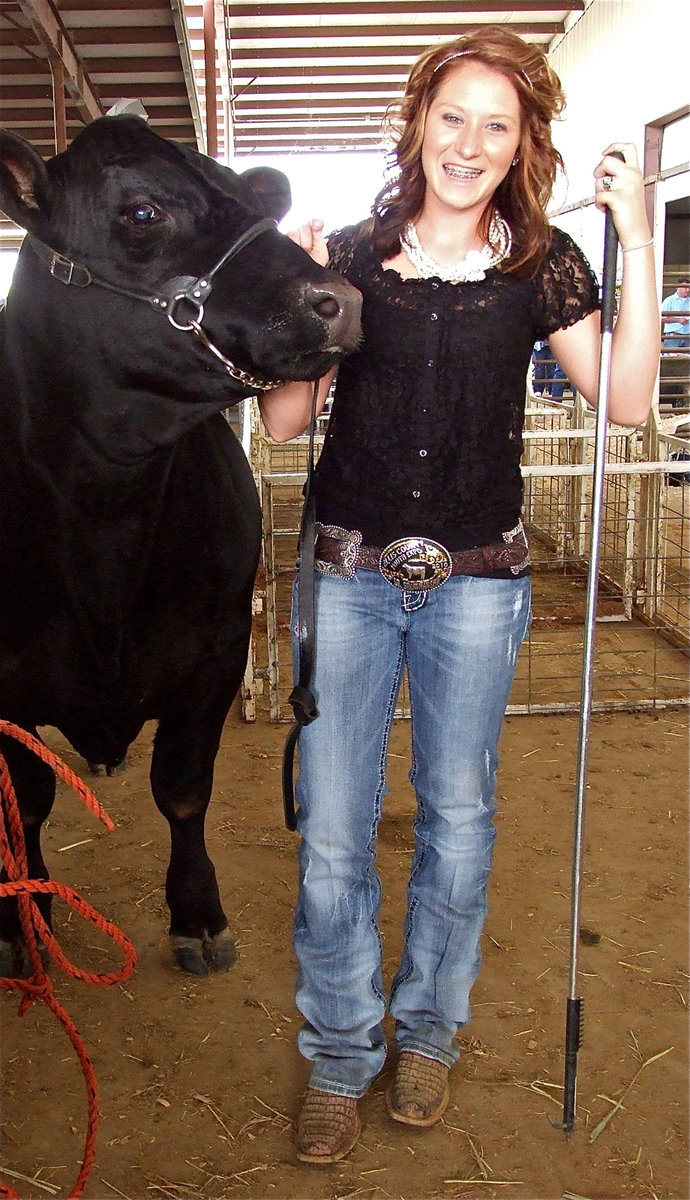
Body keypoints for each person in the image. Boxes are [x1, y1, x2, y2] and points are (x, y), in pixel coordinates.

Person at [259, 25, 659, 1164]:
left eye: (499, 123)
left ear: (524, 141)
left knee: (460, 819)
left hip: (480, 587)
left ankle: (428, 1033)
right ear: (417, 121)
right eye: (454, 116)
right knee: (334, 830)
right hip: (349, 577)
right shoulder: (349, 257)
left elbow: (624, 405)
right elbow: (289, 420)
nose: (471, 143)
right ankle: (341, 1052)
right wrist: (302, 306)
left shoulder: (544, 267)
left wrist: (641, 231)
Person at [661, 277, 690, 348]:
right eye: (685, 288)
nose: (688, 290)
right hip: (673, 336)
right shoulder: (669, 301)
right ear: (678, 287)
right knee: (672, 357)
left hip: (688, 336)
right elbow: (663, 318)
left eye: (688, 288)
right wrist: (678, 320)